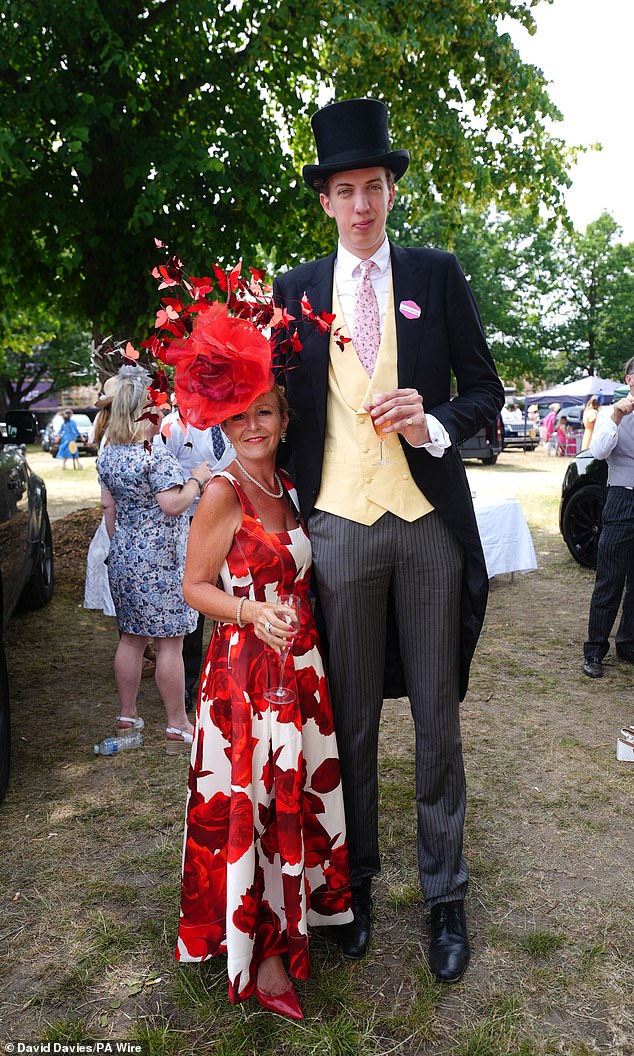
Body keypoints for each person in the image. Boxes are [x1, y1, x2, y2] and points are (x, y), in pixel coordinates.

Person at [272, 98, 505, 983]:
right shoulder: (293, 292)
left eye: (375, 186)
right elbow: (269, 410)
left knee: (438, 721)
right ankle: (356, 883)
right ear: (326, 201)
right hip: (337, 529)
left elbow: (485, 394)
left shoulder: (437, 275)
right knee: (353, 721)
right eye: (346, 189)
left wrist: (435, 422)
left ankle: (445, 894)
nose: (362, 203)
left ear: (392, 192)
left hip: (425, 530)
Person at [175, 369, 352, 1018]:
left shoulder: (287, 485)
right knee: (253, 811)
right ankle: (263, 957)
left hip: (298, 669)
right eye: (238, 417)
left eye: (265, 413)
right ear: (222, 426)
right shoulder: (223, 492)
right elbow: (194, 586)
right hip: (245, 677)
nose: (252, 426)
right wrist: (249, 613)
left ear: (284, 420)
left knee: (290, 803)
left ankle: (292, 922)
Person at [98, 365, 212, 747]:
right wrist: (196, 478)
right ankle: (178, 722)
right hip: (161, 560)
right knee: (171, 644)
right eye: (156, 407)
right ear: (144, 412)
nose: (162, 413)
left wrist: (123, 546)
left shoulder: (109, 455)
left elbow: (108, 508)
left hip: (124, 555)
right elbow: (173, 504)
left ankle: (127, 715)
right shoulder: (154, 455)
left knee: (130, 639)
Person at [154, 409, 234, 709]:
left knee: (231, 593)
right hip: (190, 520)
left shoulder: (233, 415)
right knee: (195, 602)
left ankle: (228, 674)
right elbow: (162, 473)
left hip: (232, 514)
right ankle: (187, 683)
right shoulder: (173, 426)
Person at [583, 358, 634, 678]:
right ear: (630, 379)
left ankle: (628, 644)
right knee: (610, 579)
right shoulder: (609, 412)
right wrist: (616, 415)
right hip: (622, 497)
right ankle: (594, 650)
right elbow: (599, 451)